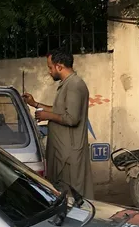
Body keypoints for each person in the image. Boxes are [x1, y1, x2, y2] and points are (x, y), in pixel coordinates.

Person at [22, 50, 94, 199]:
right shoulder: (67, 84)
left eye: (50, 67)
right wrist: (35, 104)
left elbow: (72, 119)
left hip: (69, 154)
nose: (49, 72)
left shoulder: (74, 85)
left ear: (59, 66)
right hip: (63, 152)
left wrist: (46, 116)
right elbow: (59, 111)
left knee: (73, 196)